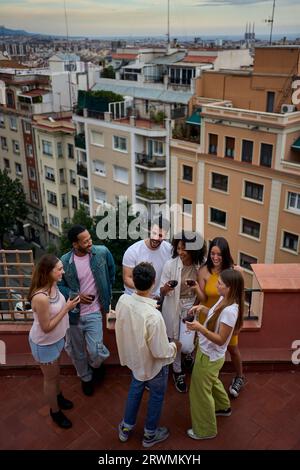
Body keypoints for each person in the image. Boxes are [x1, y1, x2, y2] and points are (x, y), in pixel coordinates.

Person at [115, 262, 180, 448]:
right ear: (153, 282)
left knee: (135, 390)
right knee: (156, 396)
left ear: (133, 281)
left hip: (135, 360)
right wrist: (174, 347)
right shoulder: (153, 316)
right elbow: (160, 352)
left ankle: (126, 428)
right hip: (154, 366)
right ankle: (150, 434)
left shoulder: (122, 301)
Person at [186, 268, 245, 440]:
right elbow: (213, 314)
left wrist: (200, 328)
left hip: (209, 357)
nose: (216, 285)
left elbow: (220, 340)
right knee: (212, 382)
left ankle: (205, 430)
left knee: (199, 393)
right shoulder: (223, 299)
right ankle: (223, 407)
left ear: (230, 288)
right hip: (209, 356)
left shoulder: (229, 312)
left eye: (220, 283)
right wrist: (202, 308)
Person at [58, 225, 115, 396]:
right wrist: (76, 296)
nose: (90, 242)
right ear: (75, 244)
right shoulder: (65, 261)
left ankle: (96, 366)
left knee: (96, 350)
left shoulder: (102, 253)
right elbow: (60, 285)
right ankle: (85, 378)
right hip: (73, 315)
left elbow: (111, 272)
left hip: (95, 312)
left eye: (90, 238)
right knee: (76, 352)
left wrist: (107, 291)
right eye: (86, 241)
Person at [28, 254, 80, 429]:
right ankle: (55, 411)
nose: (63, 272)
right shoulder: (40, 297)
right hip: (45, 344)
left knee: (55, 374)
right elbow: (46, 327)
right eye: (59, 269)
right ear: (48, 272)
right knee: (50, 379)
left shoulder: (54, 285)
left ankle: (59, 397)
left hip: (57, 339)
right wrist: (67, 308)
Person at [197, 237, 245, 397]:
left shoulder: (234, 271)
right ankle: (211, 378)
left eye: (219, 254)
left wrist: (239, 323)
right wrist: (196, 290)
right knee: (209, 349)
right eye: (212, 254)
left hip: (228, 319)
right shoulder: (203, 271)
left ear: (225, 254)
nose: (215, 258)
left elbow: (240, 297)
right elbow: (203, 298)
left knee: (232, 348)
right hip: (208, 315)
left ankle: (240, 377)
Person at [160, 231, 206, 393]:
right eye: (178, 248)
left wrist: (194, 308)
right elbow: (162, 291)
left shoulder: (201, 266)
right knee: (175, 339)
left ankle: (188, 355)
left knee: (186, 346)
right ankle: (178, 372)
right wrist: (166, 288)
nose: (180, 252)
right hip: (173, 306)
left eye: (184, 249)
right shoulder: (170, 265)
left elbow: (203, 292)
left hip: (191, 305)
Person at [122, 216, 172, 298]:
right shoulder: (133, 251)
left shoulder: (169, 250)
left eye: (160, 235)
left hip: (156, 299)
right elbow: (127, 278)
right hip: (133, 298)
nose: (156, 238)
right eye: (154, 233)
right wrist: (145, 290)